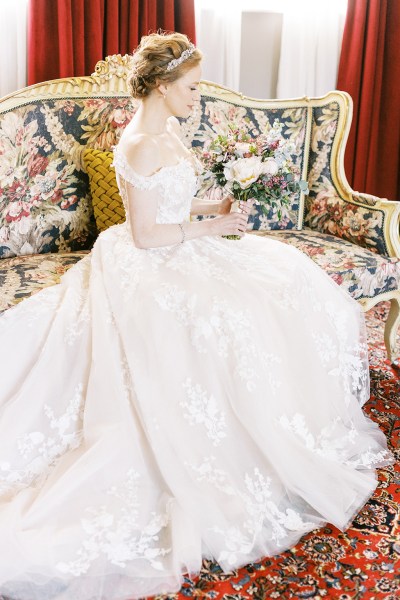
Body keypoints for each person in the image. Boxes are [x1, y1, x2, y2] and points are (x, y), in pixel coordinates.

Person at [0, 31, 393, 600]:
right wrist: (207, 228)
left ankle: (278, 416)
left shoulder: (170, 129)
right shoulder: (138, 144)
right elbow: (144, 233)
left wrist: (216, 206)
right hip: (150, 260)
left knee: (282, 282)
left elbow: (171, 201)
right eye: (190, 89)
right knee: (221, 315)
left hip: (183, 243)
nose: (197, 99)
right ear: (161, 87)